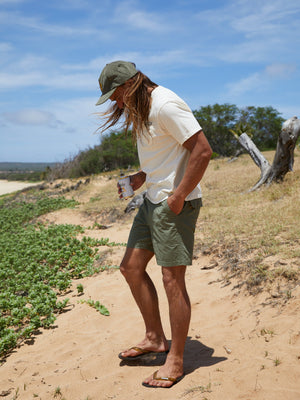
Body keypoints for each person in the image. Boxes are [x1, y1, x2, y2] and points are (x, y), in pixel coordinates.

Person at [96, 60, 212, 388]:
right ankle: (155, 338)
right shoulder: (142, 111)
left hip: (174, 205)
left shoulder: (165, 104)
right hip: (151, 202)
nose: (116, 103)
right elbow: (163, 157)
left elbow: (202, 151)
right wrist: (139, 178)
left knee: (171, 279)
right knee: (131, 268)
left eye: (116, 95)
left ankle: (176, 359)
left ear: (130, 85)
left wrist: (178, 196)